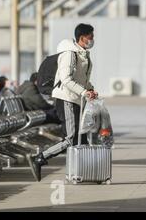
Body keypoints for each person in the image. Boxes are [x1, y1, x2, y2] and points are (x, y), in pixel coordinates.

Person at [27, 23, 99, 182]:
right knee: (71, 138)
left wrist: (91, 90)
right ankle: (39, 158)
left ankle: (82, 173)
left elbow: (83, 79)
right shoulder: (69, 54)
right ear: (82, 38)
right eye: (91, 36)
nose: (93, 39)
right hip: (66, 98)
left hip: (77, 100)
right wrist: (84, 92)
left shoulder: (83, 54)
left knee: (82, 138)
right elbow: (66, 79)